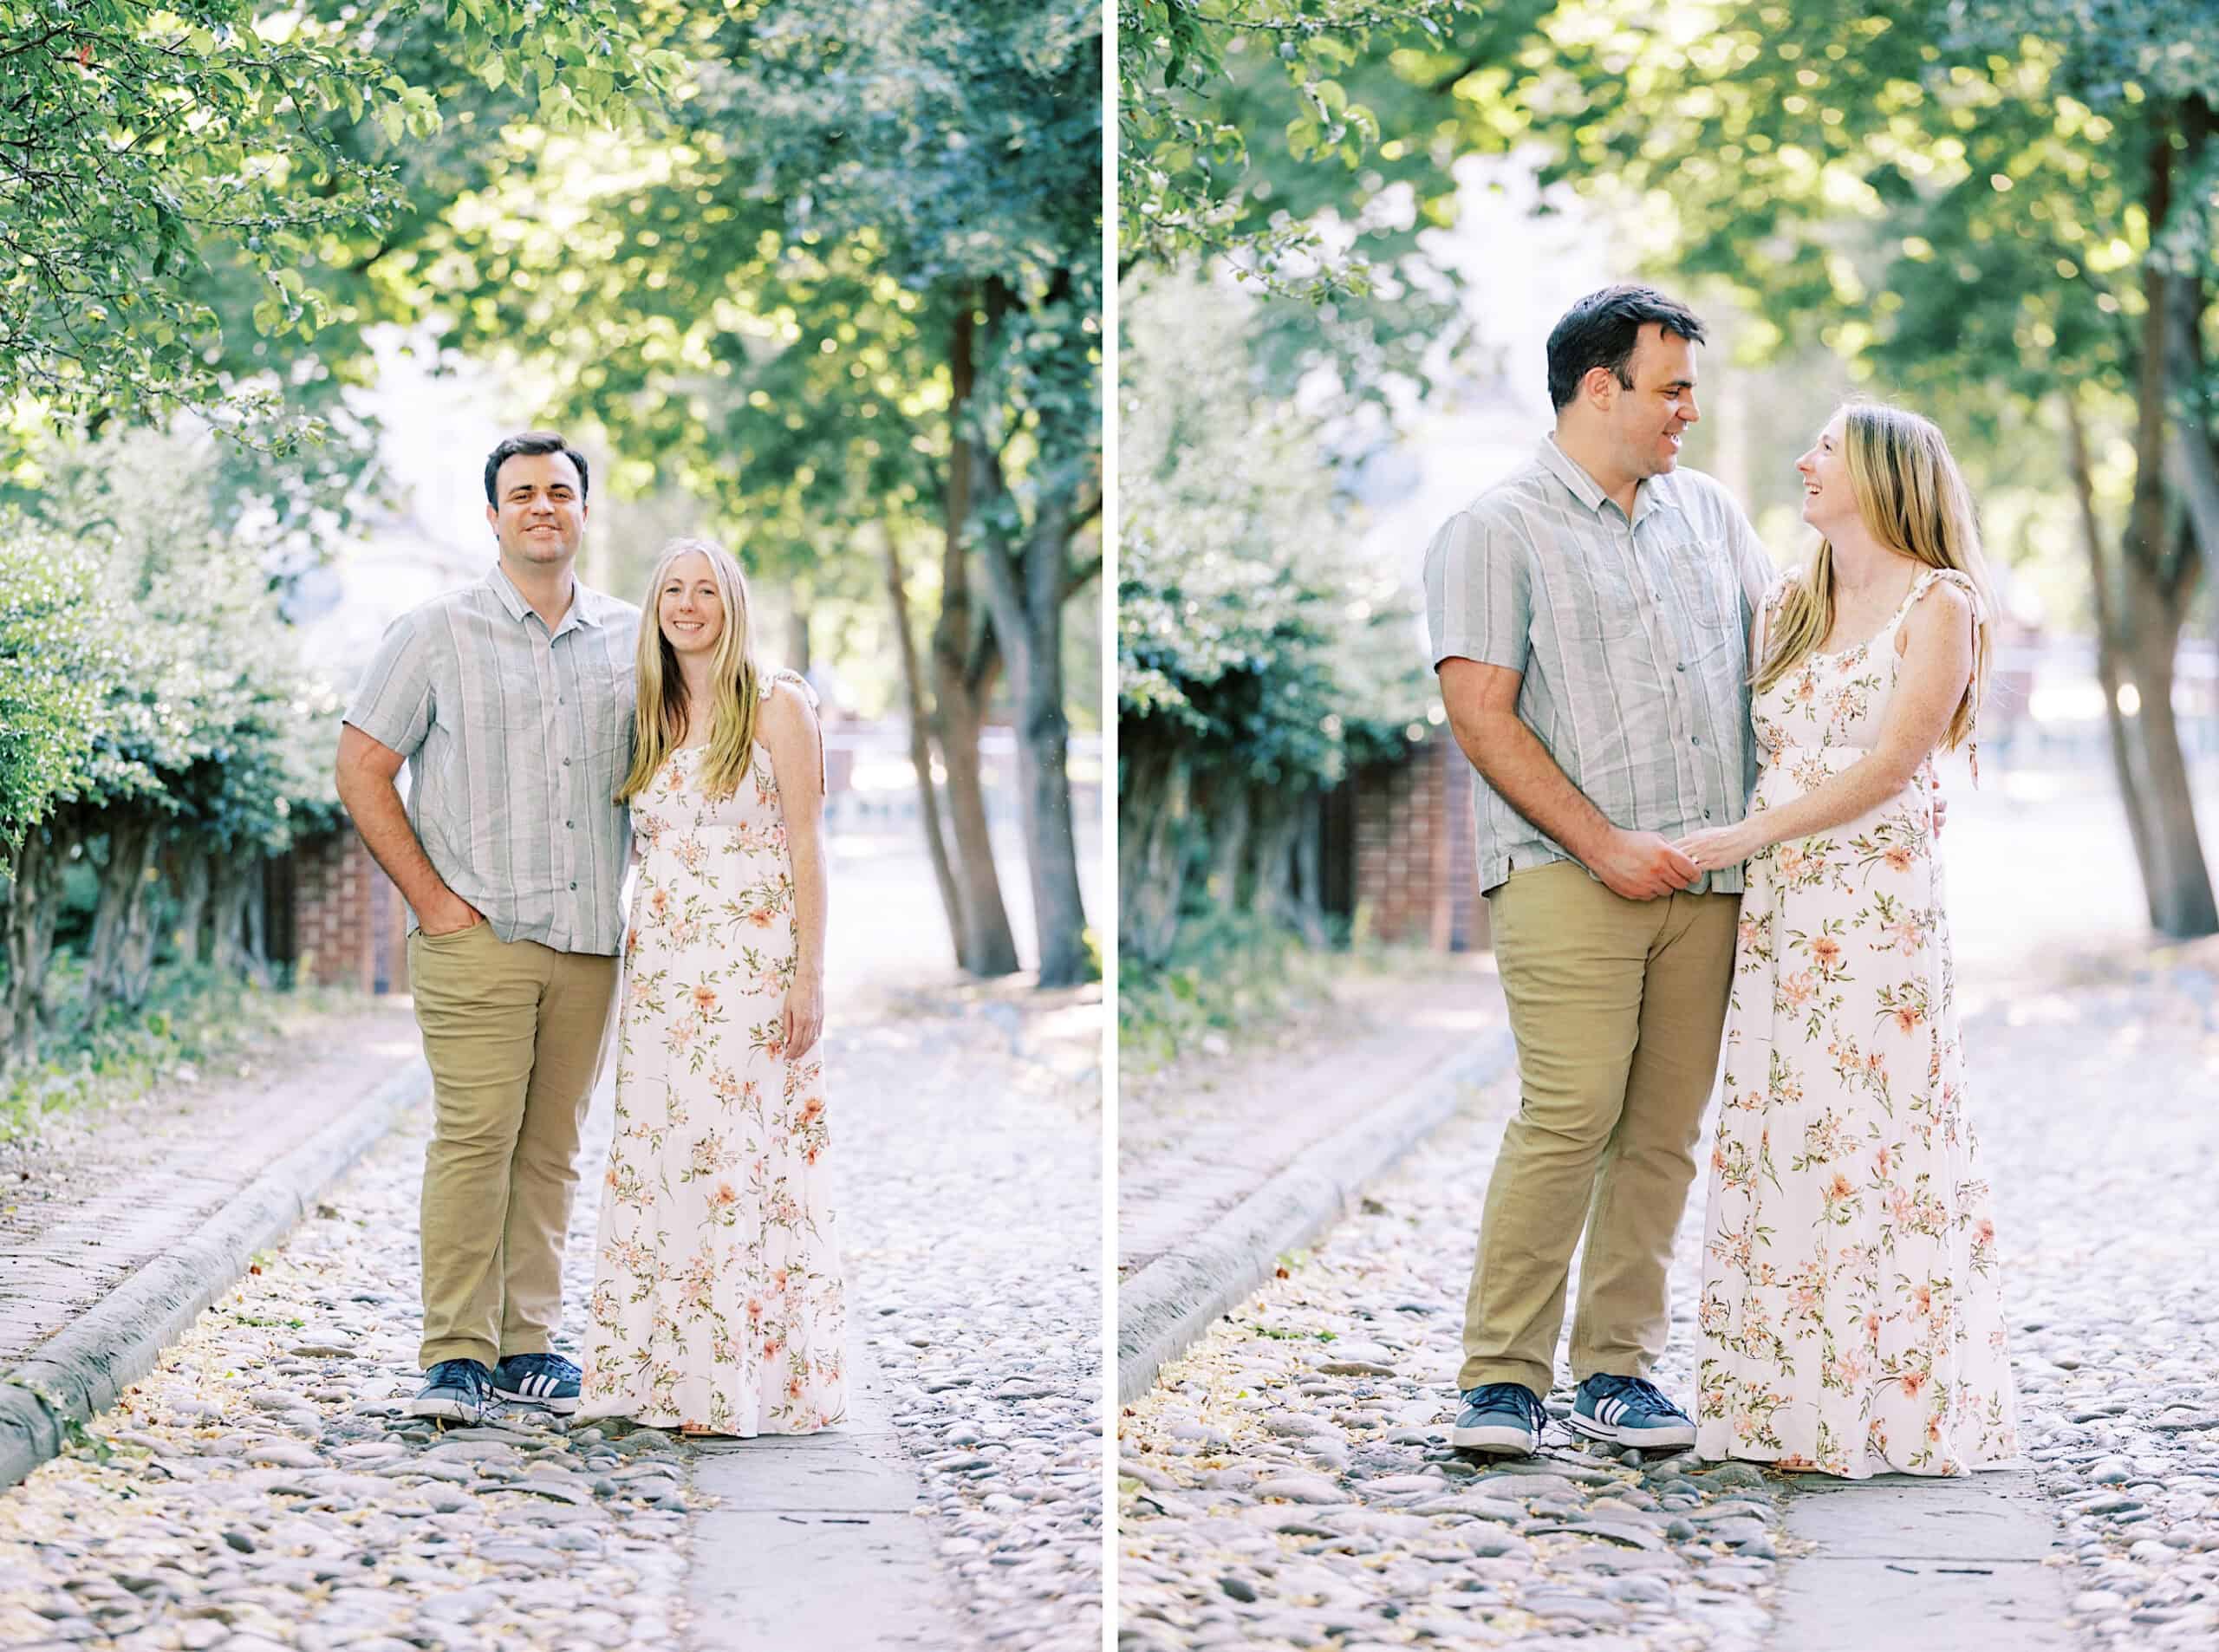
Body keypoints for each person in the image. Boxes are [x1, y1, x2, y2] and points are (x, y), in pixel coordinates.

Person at [1422, 285, 1781, 1458]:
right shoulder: (1497, 528)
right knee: (1570, 1113)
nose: (1687, 410)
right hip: (1567, 872)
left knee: (1665, 1130)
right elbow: (1481, 715)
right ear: (1598, 387)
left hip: (1708, 875)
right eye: (1670, 387)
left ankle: (1619, 1370)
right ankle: (1501, 1377)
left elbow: (1786, 657)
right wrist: (1605, 844)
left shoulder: (1713, 517)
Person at [1674, 403, 2017, 1477]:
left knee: (1869, 1137)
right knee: (1785, 1132)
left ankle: (1879, 1407)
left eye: (1824, 446)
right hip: (1782, 914)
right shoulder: (1790, 599)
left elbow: (1889, 765)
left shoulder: (1940, 604)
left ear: (1879, 471)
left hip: (1872, 914)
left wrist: (1747, 832)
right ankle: (1781, 1405)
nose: (1802, 459)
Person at [336, 432, 638, 1424]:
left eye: (560, 491)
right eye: (523, 494)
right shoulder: (435, 634)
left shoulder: (631, 641)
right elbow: (362, 768)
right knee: (475, 1139)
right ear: (494, 515)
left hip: (591, 943)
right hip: (478, 936)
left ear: (584, 511)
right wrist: (432, 902)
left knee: (551, 1148)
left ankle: (528, 1346)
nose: (542, 507)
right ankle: (455, 1354)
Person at [577, 537, 846, 1435]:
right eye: (672, 590)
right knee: (663, 1154)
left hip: (749, 970)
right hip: (660, 976)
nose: (688, 605)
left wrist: (809, 974)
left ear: (732, 603)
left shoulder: (775, 704)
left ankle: (727, 1382)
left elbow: (807, 845)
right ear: (655, 606)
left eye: (705, 590)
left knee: (731, 1160)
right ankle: (655, 1374)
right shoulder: (648, 710)